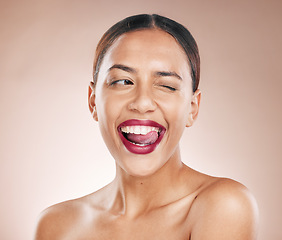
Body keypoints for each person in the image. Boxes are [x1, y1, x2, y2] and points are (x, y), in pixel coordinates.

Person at [34, 14, 259, 239]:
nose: (142, 103)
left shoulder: (223, 205)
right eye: (123, 81)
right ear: (93, 101)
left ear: (192, 107)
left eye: (166, 86)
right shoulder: (55, 226)